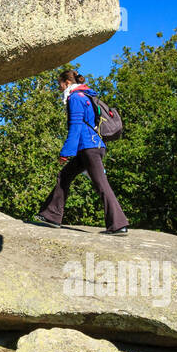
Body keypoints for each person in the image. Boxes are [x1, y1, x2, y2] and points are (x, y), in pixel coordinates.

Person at [35, 69, 130, 235]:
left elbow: (76, 126)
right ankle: (51, 216)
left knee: (101, 184)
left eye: (60, 84)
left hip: (88, 148)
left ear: (67, 83)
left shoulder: (75, 98)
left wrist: (65, 152)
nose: (59, 88)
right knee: (65, 176)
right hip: (91, 147)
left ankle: (118, 224)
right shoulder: (86, 96)